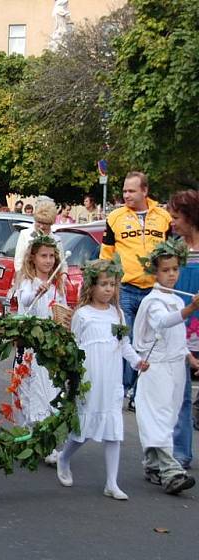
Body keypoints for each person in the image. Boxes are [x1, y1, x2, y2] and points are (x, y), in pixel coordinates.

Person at [58, 258, 148, 500]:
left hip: (111, 379)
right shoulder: (83, 315)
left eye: (113, 284)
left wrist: (137, 361)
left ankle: (112, 482)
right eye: (104, 284)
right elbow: (73, 347)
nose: (109, 289)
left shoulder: (117, 314)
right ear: (92, 286)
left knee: (113, 431)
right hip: (90, 377)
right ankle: (64, 458)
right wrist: (71, 378)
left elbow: (124, 344)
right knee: (83, 431)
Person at [133, 240, 198, 494]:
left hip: (175, 368)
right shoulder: (154, 301)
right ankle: (171, 473)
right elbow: (162, 323)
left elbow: (177, 336)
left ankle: (152, 465)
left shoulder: (176, 299)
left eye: (174, 269)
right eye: (165, 270)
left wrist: (189, 357)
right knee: (158, 417)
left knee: (167, 417)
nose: (171, 274)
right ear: (155, 273)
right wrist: (192, 308)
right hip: (156, 368)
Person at [100, 172, 172, 401]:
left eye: (131, 191)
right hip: (126, 288)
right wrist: (106, 282)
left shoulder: (163, 217)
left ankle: (140, 393)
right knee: (125, 340)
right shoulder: (115, 217)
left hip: (154, 289)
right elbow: (106, 254)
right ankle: (123, 388)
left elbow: (171, 251)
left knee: (151, 343)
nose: (126, 195)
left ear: (145, 191)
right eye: (124, 191)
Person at [16, 234, 66, 464]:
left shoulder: (56, 287)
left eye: (51, 256)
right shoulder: (29, 283)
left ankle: (46, 440)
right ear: (33, 258)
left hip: (49, 350)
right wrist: (37, 292)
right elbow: (25, 302)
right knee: (31, 391)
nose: (48, 260)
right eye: (43, 256)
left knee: (50, 392)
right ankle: (33, 437)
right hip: (31, 350)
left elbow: (61, 313)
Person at [167, 190, 199, 467]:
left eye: (176, 217)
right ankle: (180, 453)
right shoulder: (175, 248)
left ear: (190, 216)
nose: (172, 222)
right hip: (181, 323)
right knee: (181, 394)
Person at [13, 198, 65, 284]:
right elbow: (19, 261)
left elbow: (62, 263)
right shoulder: (25, 235)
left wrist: (63, 277)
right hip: (28, 281)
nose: (41, 226)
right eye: (39, 222)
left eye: (45, 223)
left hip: (50, 284)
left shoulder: (56, 240)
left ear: (51, 224)